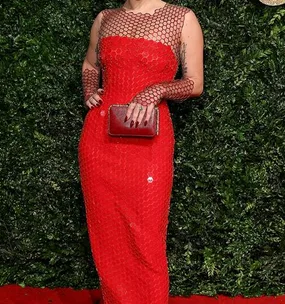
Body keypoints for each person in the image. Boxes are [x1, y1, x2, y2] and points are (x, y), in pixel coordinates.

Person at [78, 0, 203, 303]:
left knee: (146, 235)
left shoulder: (181, 18)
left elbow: (195, 83)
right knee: (107, 236)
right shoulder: (105, 18)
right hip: (100, 138)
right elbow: (90, 64)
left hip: (150, 141)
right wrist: (89, 91)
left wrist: (157, 89)